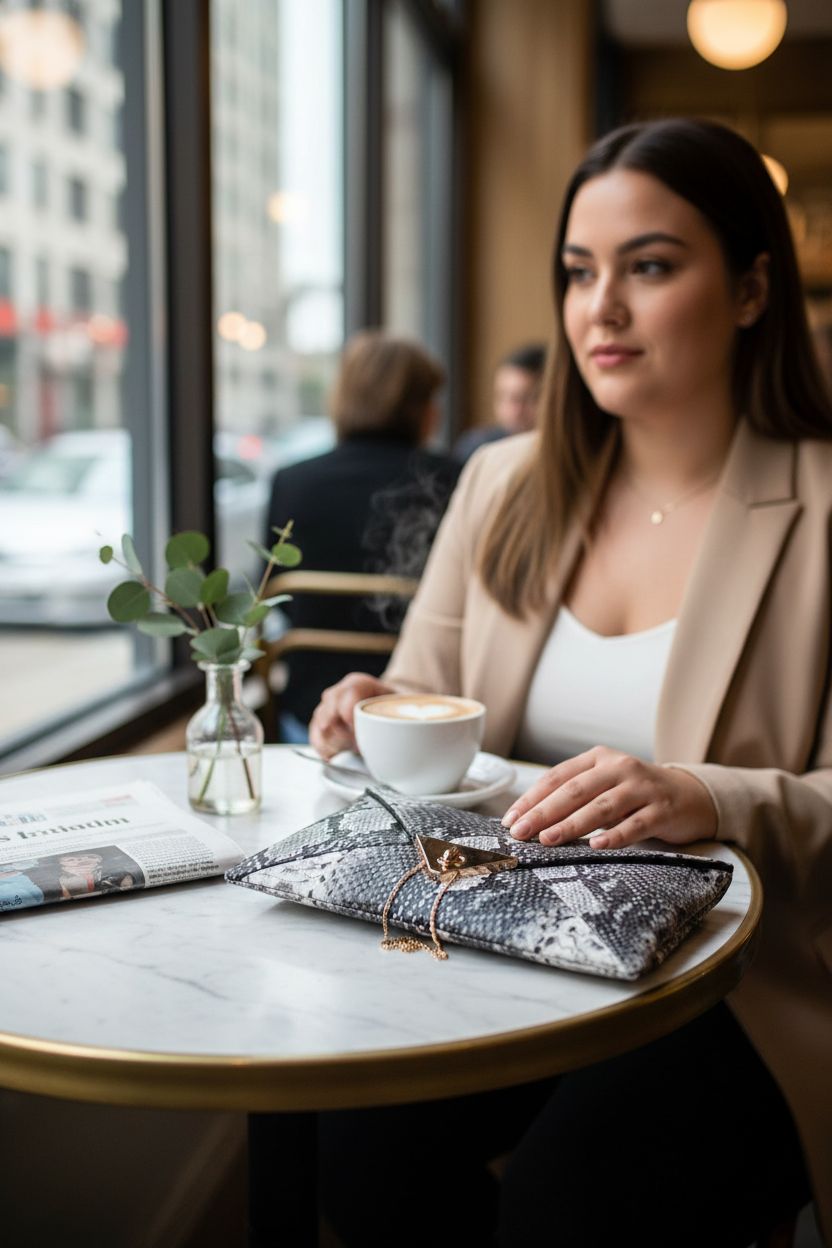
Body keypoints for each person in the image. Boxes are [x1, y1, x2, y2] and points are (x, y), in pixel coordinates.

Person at [309, 118, 832, 1247]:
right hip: (498, 938)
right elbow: (426, 689)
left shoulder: (823, 505)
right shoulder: (501, 482)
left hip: (734, 979)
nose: (599, 309)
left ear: (749, 291)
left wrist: (709, 794)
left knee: (567, 1206)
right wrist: (370, 705)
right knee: (348, 1141)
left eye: (648, 267)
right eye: (577, 273)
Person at [264, 330, 460, 742]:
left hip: (313, 714)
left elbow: (275, 596)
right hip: (426, 715)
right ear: (421, 408)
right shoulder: (454, 479)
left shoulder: (293, 481)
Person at [452, 341, 546, 463]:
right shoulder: (476, 448)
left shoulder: (565, 451)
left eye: (527, 398)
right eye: (503, 397)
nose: (514, 411)